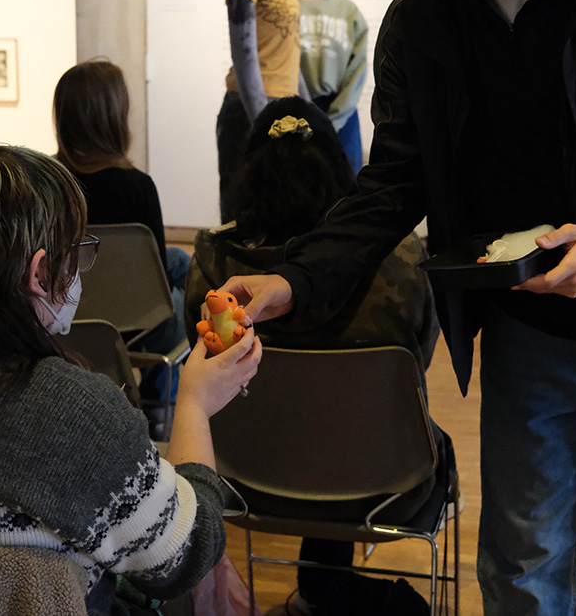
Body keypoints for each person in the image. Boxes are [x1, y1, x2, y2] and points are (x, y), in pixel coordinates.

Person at [218, 0, 576, 616]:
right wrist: (293, 278)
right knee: (525, 567)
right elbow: (392, 182)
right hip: (533, 329)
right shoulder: (423, 20)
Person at [185, 96, 440, 614]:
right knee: (357, 426)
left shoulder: (214, 264)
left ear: (248, 174)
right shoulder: (401, 257)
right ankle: (325, 587)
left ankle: (320, 589)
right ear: (341, 169)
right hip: (386, 484)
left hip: (244, 479)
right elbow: (419, 360)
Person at [0, 144, 262, 615]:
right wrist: (194, 405)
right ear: (39, 273)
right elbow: (186, 556)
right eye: (75, 253)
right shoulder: (73, 414)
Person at [53, 58, 189, 405]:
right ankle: (161, 401)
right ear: (115, 117)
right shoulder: (138, 187)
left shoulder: (47, 182)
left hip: (64, 314)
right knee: (186, 295)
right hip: (136, 324)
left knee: (178, 259)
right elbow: (155, 279)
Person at [217, 0, 307, 222]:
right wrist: (261, 123)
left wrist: (306, 108)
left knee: (281, 215)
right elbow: (244, 53)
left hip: (282, 108)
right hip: (251, 111)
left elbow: (288, 45)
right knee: (245, 218)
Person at [287, 0, 368, 173]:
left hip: (341, 118)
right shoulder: (283, 7)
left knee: (344, 186)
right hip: (293, 117)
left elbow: (357, 71)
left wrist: (334, 120)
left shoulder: (348, 11)